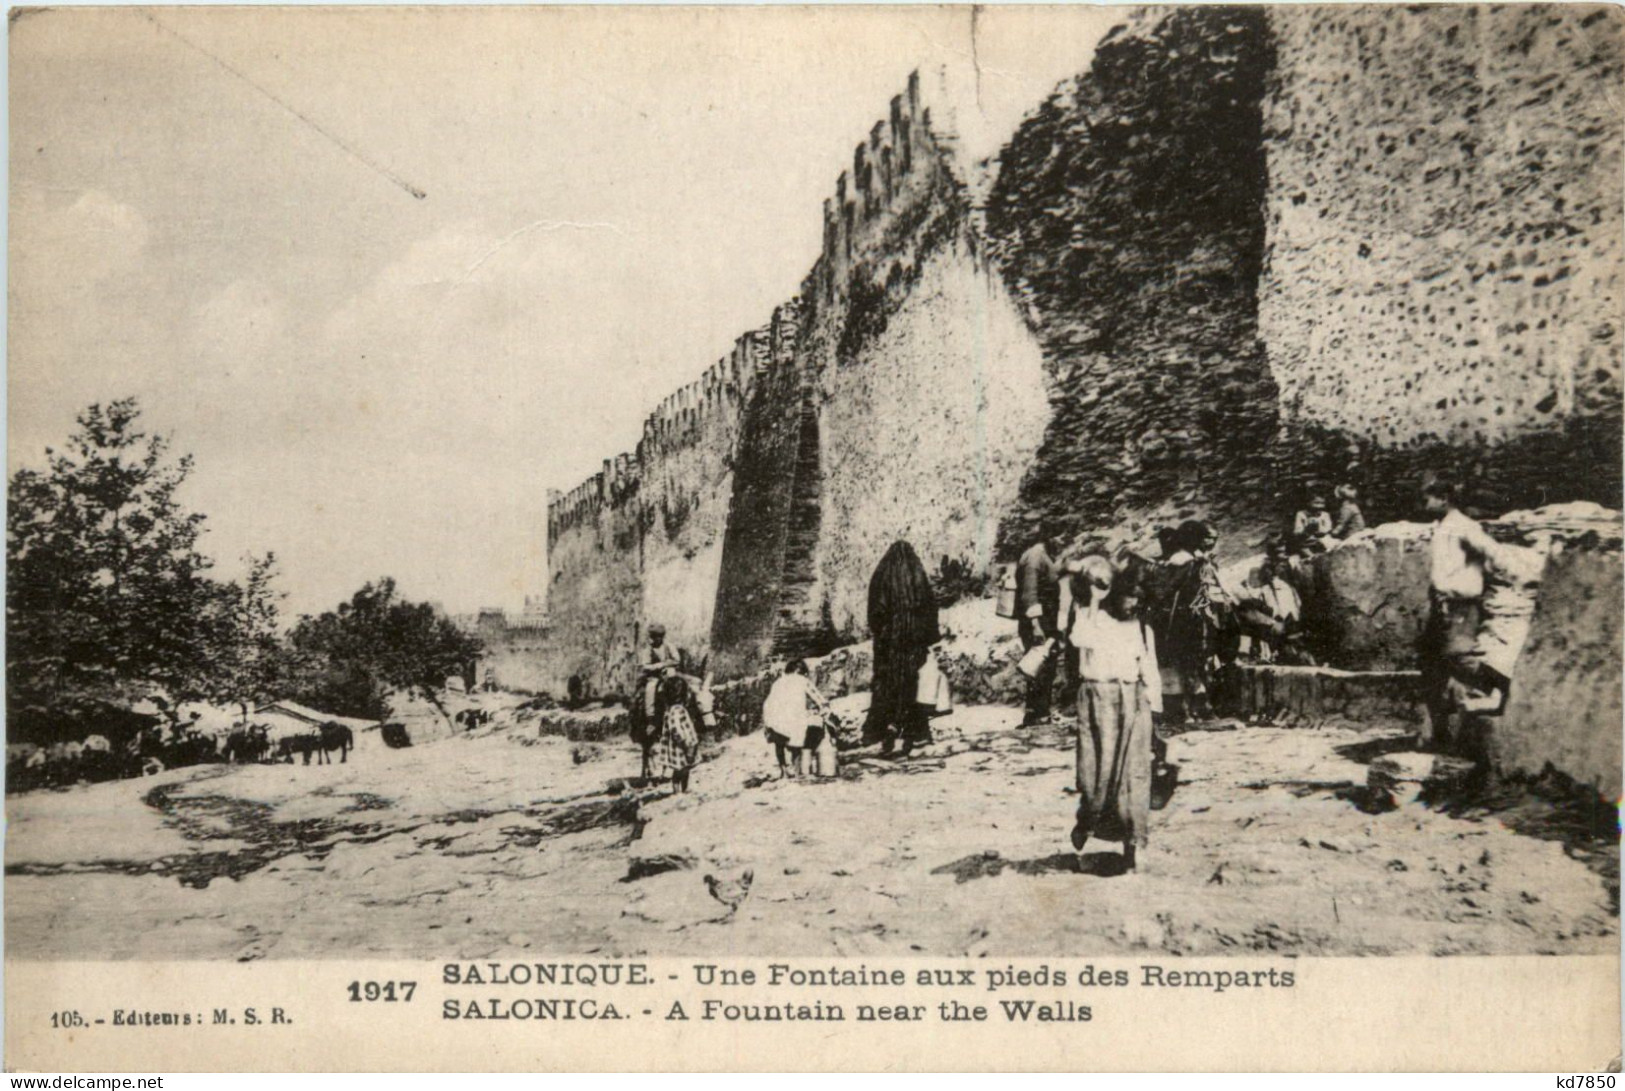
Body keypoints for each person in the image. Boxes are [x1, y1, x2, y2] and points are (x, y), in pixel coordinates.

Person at [1069, 566, 1161, 873]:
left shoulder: (1141, 625)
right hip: (1098, 698)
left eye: (1139, 598)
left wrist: (1155, 708)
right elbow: (1078, 638)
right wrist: (1094, 601)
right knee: (1096, 774)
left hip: (1133, 699)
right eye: (1128, 596)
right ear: (1116, 593)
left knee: (1133, 774)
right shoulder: (1091, 617)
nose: (1133, 603)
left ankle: (1134, 844)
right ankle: (1087, 820)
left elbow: (1149, 665)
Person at [1419, 477, 1508, 751]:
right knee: (1432, 667)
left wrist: (1470, 586)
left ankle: (1508, 686)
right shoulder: (1442, 528)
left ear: (1444, 498)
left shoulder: (1464, 527)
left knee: (1460, 658)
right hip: (1441, 604)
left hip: (1461, 606)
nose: (1423, 506)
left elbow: (1495, 554)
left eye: (1427, 500)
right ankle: (1437, 736)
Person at [863, 540, 940, 758]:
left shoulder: (881, 574)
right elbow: (929, 606)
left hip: (889, 645)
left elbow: (876, 611)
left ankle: (887, 730)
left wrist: (882, 634)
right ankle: (914, 734)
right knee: (913, 685)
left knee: (888, 686)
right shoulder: (917, 575)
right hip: (914, 642)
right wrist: (928, 638)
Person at [1151, 520, 1230, 723]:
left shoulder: (1204, 560)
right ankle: (1185, 707)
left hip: (1204, 610)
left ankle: (1201, 704)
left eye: (1214, 539)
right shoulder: (1183, 559)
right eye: (1207, 538)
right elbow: (1171, 589)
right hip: (1184, 615)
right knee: (1185, 659)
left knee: (1202, 659)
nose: (1211, 542)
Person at [1015, 532, 1065, 727]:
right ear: (1050, 536)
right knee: (1039, 665)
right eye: (1059, 537)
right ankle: (1036, 714)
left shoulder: (1039, 557)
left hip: (1043, 621)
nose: (1060, 541)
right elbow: (1031, 593)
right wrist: (1036, 624)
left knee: (1043, 666)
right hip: (1038, 622)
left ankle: (1037, 712)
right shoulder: (1036, 556)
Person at [762, 659, 831, 778]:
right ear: (800, 670)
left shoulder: (778, 682)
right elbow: (816, 696)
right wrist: (824, 706)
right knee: (798, 738)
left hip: (772, 717)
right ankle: (797, 768)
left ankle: (783, 769)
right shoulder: (802, 680)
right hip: (791, 718)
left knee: (779, 743)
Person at [639, 623, 683, 725]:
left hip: (669, 671)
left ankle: (681, 706)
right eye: (654, 637)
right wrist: (658, 666)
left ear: (662, 636)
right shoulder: (649, 649)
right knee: (650, 688)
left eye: (659, 636)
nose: (657, 639)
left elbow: (677, 660)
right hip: (654, 675)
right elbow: (645, 665)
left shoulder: (669, 646)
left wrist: (666, 665)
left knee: (678, 681)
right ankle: (650, 717)